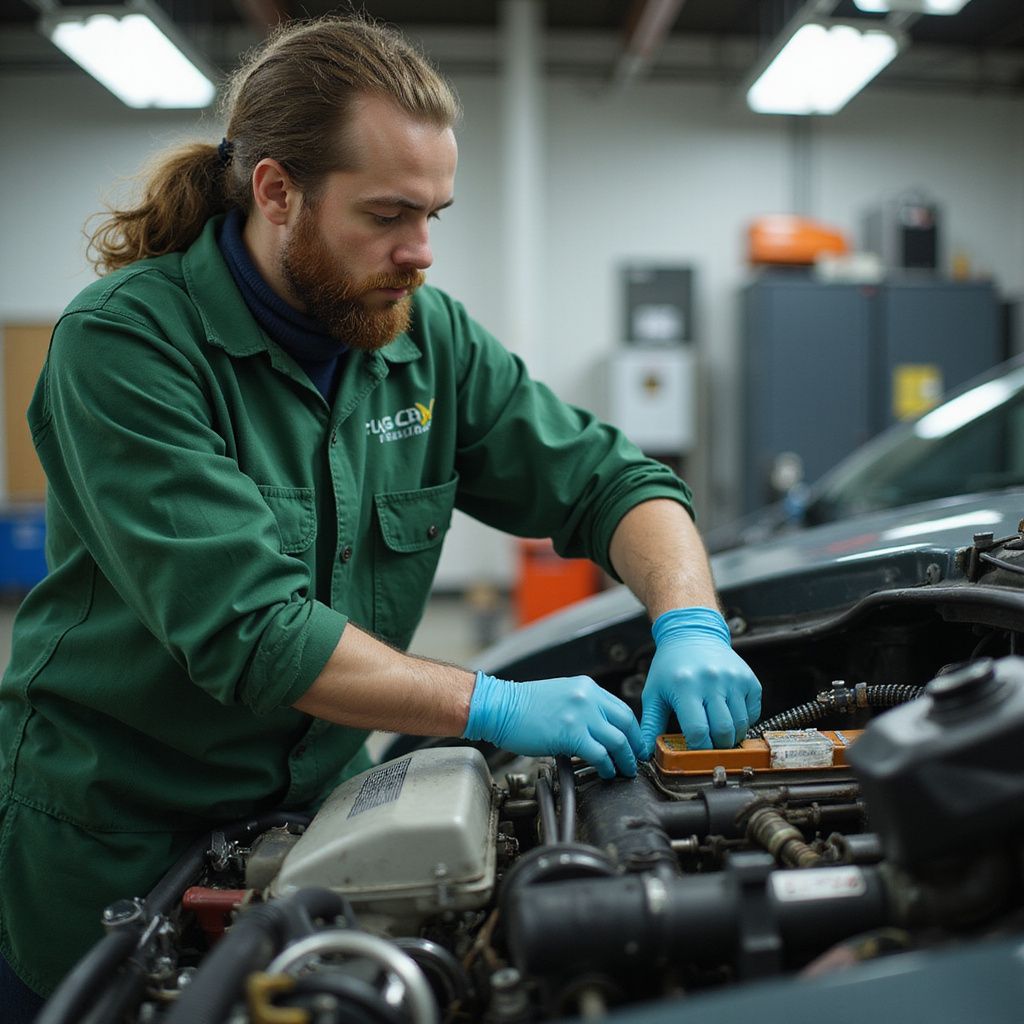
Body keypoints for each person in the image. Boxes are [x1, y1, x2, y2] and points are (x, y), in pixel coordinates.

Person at [0, 15, 761, 1016]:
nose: (422, 252)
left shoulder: (424, 337)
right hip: (116, 846)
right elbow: (254, 632)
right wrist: (491, 703)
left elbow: (613, 482)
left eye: (436, 212)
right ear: (277, 193)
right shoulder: (127, 346)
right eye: (389, 214)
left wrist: (689, 617)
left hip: (315, 826)